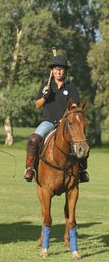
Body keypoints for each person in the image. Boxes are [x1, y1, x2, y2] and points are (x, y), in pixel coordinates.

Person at [23, 54, 89, 183]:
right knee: (33, 140)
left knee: (81, 141)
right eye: (56, 69)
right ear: (52, 71)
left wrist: (64, 119)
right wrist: (44, 96)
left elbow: (74, 107)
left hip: (66, 123)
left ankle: (81, 171)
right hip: (48, 122)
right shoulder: (46, 86)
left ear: (65, 71)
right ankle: (30, 168)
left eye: (61, 69)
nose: (58, 71)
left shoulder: (71, 87)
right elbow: (37, 105)